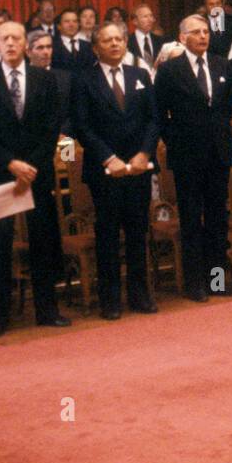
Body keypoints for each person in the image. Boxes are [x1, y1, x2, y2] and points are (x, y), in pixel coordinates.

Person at [0, 21, 68, 337]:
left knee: (43, 241)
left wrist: (30, 165)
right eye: (4, 38)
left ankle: (47, 310)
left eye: (16, 38)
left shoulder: (45, 80)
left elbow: (51, 129)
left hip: (37, 172)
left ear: (26, 44)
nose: (10, 43)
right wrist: (11, 164)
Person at [71, 22, 160, 320]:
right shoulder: (83, 80)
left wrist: (143, 153)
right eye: (107, 41)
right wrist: (108, 158)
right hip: (105, 171)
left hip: (138, 168)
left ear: (126, 43)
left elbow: (154, 119)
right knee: (108, 235)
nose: (114, 44)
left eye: (119, 39)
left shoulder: (140, 74)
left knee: (138, 232)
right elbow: (82, 126)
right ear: (96, 48)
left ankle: (140, 295)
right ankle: (110, 299)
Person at [153, 14, 232, 300]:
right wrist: (173, 140)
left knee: (217, 219)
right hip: (187, 154)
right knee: (191, 220)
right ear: (182, 37)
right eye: (196, 32)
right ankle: (195, 284)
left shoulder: (221, 64)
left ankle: (217, 281)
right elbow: (159, 114)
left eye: (206, 31)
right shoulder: (170, 70)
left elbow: (227, 106)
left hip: (218, 152)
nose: (203, 36)